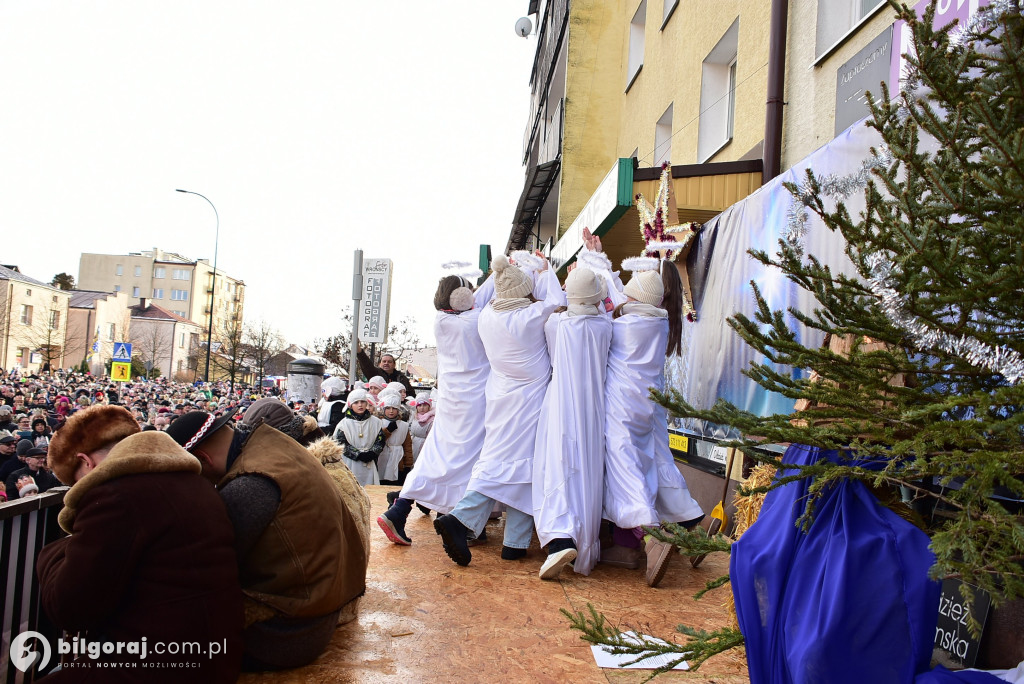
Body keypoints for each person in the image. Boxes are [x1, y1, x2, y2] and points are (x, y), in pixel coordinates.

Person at [37, 404, 243, 682]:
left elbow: (68, 608)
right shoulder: (192, 482)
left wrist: (51, 552)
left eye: (75, 482)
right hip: (209, 655)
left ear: (86, 462)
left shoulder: (116, 497)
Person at [166, 407, 367, 671]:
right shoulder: (273, 444)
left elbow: (203, 572)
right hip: (315, 615)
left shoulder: (249, 484)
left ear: (202, 458)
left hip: (283, 635)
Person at [433, 253, 565, 565]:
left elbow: (488, 295)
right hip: (529, 397)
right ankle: (460, 519)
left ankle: (515, 544)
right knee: (512, 463)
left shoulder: (486, 316)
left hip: (499, 392)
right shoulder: (531, 315)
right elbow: (557, 298)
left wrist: (507, 272)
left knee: (522, 466)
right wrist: (545, 271)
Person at [601, 260, 705, 587]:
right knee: (647, 468)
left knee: (624, 471)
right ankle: (690, 534)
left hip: (620, 409)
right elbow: (622, 301)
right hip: (645, 410)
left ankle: (651, 538)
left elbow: (607, 309)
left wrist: (597, 269)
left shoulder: (622, 326)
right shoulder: (659, 324)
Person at [377, 272, 494, 547]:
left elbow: (476, 300)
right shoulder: (476, 320)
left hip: (449, 401)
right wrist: (502, 273)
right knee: (468, 462)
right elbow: (486, 299)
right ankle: (463, 520)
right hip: (474, 402)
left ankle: (400, 509)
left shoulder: (441, 320)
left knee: (434, 455)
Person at [532, 266, 613, 579]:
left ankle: (560, 537)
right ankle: (585, 546)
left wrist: (546, 272)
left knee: (555, 465)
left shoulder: (557, 324)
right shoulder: (605, 326)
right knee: (588, 472)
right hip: (593, 407)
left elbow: (552, 302)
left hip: (560, 402)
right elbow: (606, 305)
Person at [332, 388, 386, 486]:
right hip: (350, 462)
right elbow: (340, 443)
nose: (360, 405)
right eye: (356, 402)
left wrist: (373, 453)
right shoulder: (343, 424)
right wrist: (358, 454)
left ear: (367, 403)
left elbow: (380, 440)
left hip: (369, 462)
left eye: (362, 402)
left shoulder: (376, 422)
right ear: (350, 405)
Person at [377, 393, 412, 485]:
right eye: (388, 408)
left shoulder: (404, 425)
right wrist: (387, 430)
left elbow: (407, 446)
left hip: (398, 457)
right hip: (382, 457)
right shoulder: (378, 423)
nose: (391, 411)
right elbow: (376, 440)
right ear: (383, 409)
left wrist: (408, 464)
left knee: (396, 481)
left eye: (394, 408)